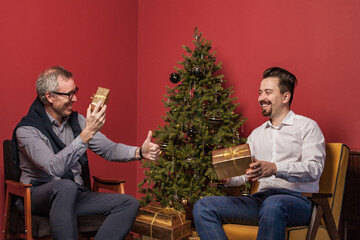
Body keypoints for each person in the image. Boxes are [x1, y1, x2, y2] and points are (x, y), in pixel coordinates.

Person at [12, 66, 160, 240]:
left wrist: (139, 152)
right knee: (65, 186)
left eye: (75, 92)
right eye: (68, 94)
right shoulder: (27, 130)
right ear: (49, 97)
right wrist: (87, 134)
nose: (75, 99)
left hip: (75, 194)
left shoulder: (78, 121)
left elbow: (109, 149)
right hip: (37, 196)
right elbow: (54, 168)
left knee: (129, 203)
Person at [193, 67, 325, 240]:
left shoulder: (307, 127)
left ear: (285, 97)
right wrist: (228, 178)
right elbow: (245, 174)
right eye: (260, 92)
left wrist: (275, 168)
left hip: (298, 202)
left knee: (274, 204)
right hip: (261, 201)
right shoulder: (256, 134)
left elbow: (314, 169)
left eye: (268, 93)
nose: (261, 98)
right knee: (204, 205)